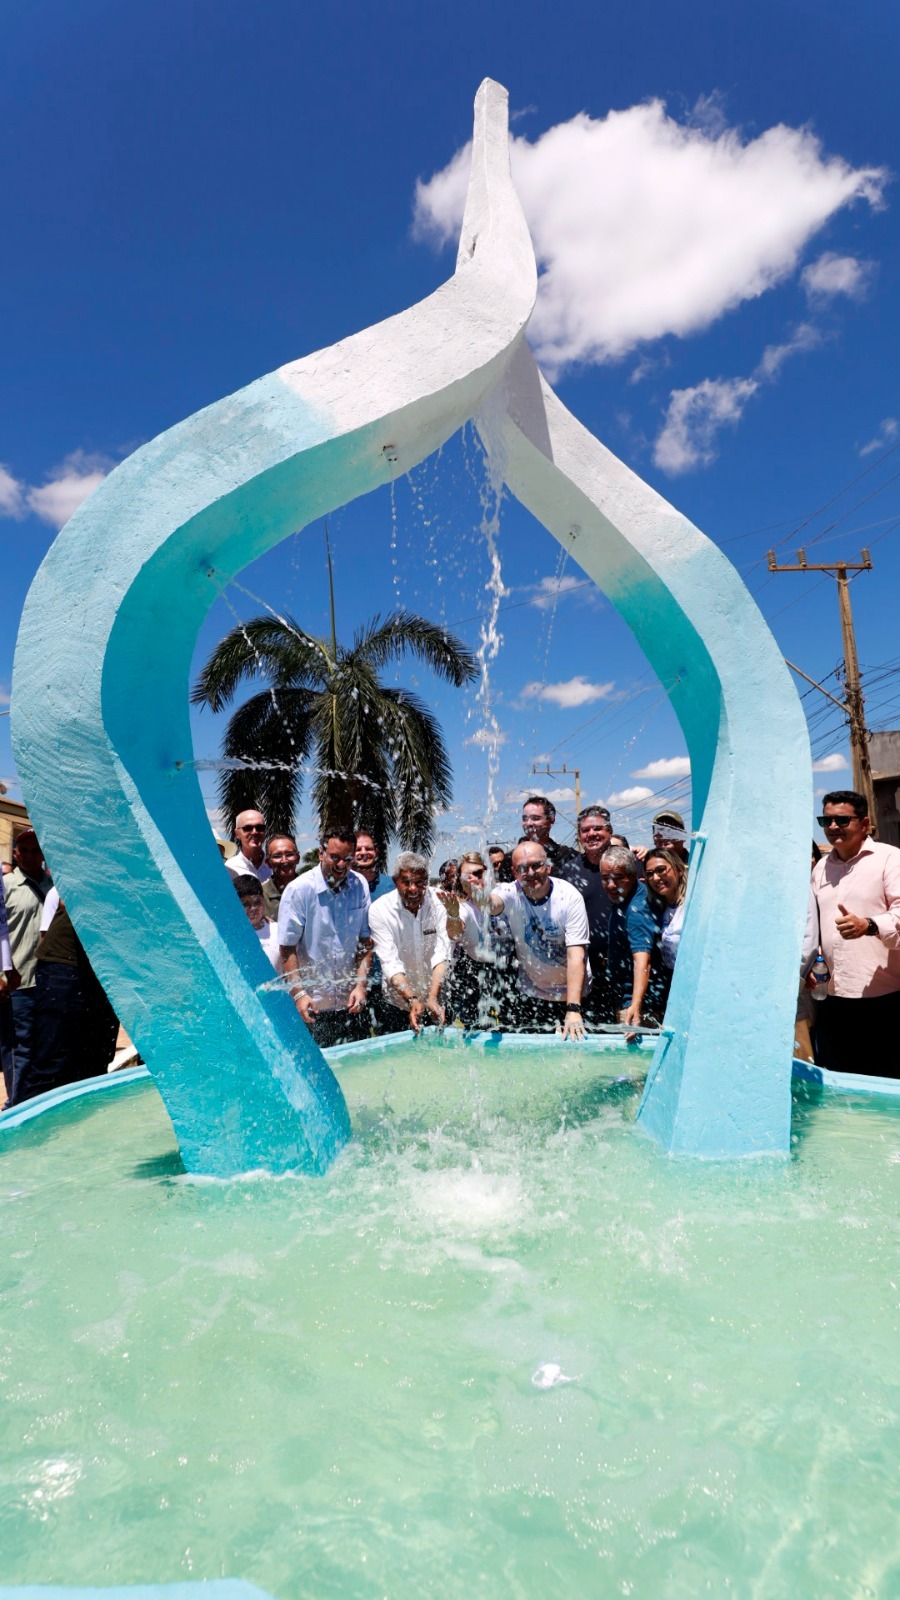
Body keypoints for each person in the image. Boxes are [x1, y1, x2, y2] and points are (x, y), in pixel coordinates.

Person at [809, 790, 900, 1076]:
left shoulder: (890, 859)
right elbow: (813, 927)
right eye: (826, 820)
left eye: (842, 820)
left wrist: (869, 926)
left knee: (885, 1089)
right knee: (839, 1085)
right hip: (832, 1001)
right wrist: (813, 961)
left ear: (865, 823)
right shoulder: (820, 869)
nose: (832, 827)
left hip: (884, 1004)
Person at [8, 895, 118, 1105]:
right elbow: (71, 894)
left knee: (94, 1065)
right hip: (67, 966)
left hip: (103, 971)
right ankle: (24, 1134)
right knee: (51, 1066)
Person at [277, 829, 372, 1047]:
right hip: (313, 1006)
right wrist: (299, 993)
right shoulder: (299, 890)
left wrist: (360, 986)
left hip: (351, 1003)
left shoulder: (360, 885)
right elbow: (287, 948)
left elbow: (365, 943)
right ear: (321, 853)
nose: (341, 865)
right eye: (334, 857)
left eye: (348, 859)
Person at [489, 841, 589, 1039]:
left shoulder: (569, 896)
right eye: (523, 868)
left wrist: (573, 1008)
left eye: (537, 865)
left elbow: (576, 954)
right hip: (531, 994)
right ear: (514, 872)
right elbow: (493, 905)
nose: (531, 873)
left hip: (573, 995)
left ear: (548, 865)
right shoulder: (510, 891)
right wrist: (477, 895)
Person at [368, 852, 454, 1032]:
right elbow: (389, 961)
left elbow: (442, 953)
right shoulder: (380, 910)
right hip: (397, 1003)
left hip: (437, 999)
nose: (413, 888)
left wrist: (432, 997)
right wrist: (412, 999)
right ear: (395, 881)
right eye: (406, 882)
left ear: (427, 881)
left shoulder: (440, 901)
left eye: (420, 883)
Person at [2, 829, 54, 1102]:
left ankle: (34, 1102)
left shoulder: (52, 887)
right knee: (17, 1048)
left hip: (47, 981)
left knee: (41, 1047)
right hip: (16, 982)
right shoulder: (6, 886)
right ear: (16, 853)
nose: (31, 856)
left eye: (37, 851)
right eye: (26, 851)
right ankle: (15, 1106)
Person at [557, 805, 616, 1022]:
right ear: (579, 836)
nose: (591, 834)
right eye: (585, 831)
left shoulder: (629, 864)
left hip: (622, 967)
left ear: (609, 831)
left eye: (597, 828)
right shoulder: (569, 871)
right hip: (583, 968)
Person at [601, 845, 669, 1028]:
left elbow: (643, 962)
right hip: (633, 999)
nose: (610, 885)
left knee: (632, 1057)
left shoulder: (636, 910)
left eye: (617, 878)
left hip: (640, 1006)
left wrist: (635, 1006)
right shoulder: (630, 895)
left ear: (632, 875)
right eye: (605, 878)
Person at [504, 796, 578, 878]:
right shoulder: (511, 859)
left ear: (551, 821)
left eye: (535, 818)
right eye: (525, 819)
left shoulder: (568, 857)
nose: (529, 823)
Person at [643, 848, 689, 970]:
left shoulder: (692, 906)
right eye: (650, 874)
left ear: (678, 870)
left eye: (661, 870)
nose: (656, 878)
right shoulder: (660, 907)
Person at [233, 874, 283, 973]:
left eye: (257, 902)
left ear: (263, 900)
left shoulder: (278, 931)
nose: (253, 909)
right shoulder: (231, 935)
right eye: (246, 904)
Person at [225, 810, 272, 882]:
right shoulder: (230, 868)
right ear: (237, 833)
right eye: (247, 828)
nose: (254, 832)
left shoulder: (274, 866)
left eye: (259, 827)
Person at [262, 835, 300, 920]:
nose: (284, 860)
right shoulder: (260, 896)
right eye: (277, 856)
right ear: (268, 862)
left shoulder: (311, 889)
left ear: (298, 858)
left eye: (289, 854)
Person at [352, 833, 394, 902]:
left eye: (368, 849)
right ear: (349, 854)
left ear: (376, 852)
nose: (363, 853)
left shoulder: (391, 885)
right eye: (358, 849)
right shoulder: (342, 886)